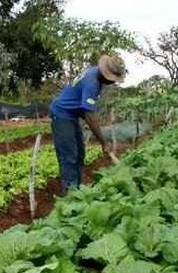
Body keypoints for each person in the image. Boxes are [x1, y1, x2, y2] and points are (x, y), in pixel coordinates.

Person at [49, 54, 125, 192]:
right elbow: (89, 116)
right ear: (106, 75)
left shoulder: (94, 72)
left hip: (72, 115)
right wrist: (103, 143)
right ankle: (71, 194)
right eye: (112, 79)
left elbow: (86, 111)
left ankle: (77, 189)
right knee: (69, 156)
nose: (113, 82)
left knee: (79, 154)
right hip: (61, 114)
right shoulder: (92, 83)